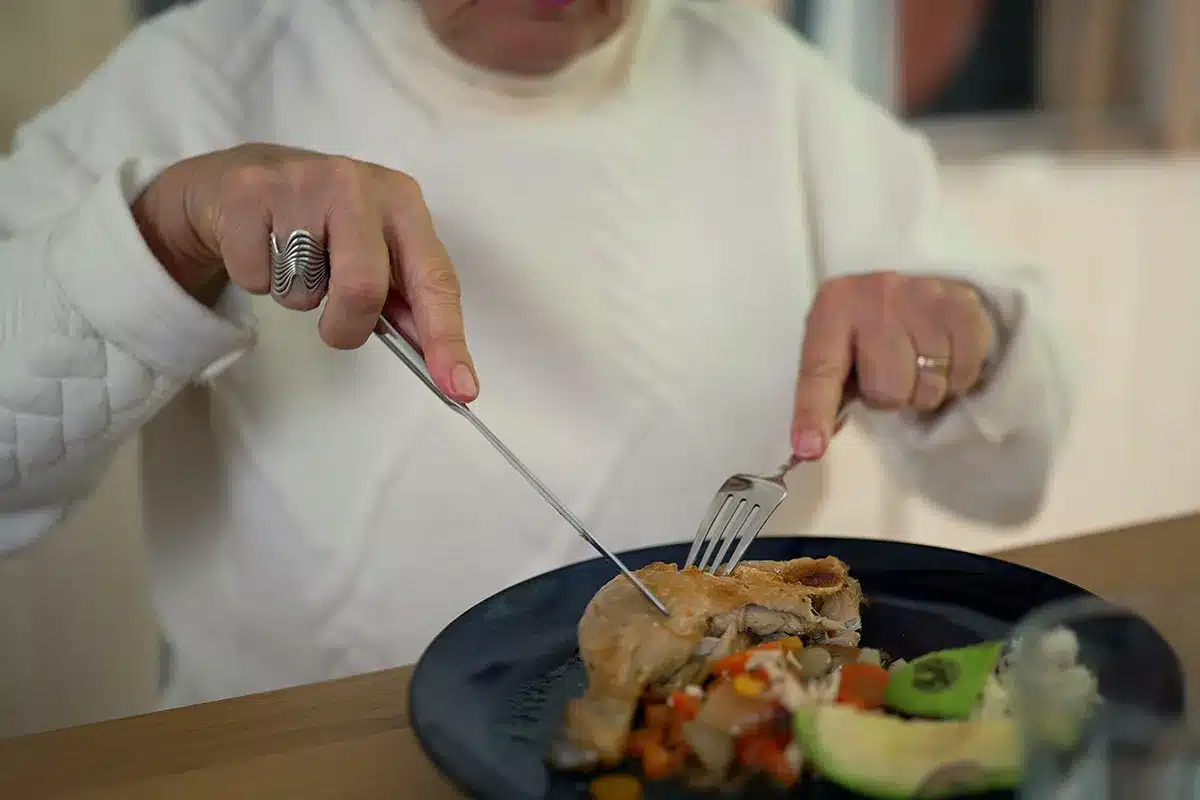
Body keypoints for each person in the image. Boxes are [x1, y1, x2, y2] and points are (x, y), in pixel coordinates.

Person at [0, 0, 1073, 711]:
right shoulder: (207, 68)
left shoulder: (766, 78)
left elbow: (1009, 476)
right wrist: (163, 236)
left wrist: (967, 335)